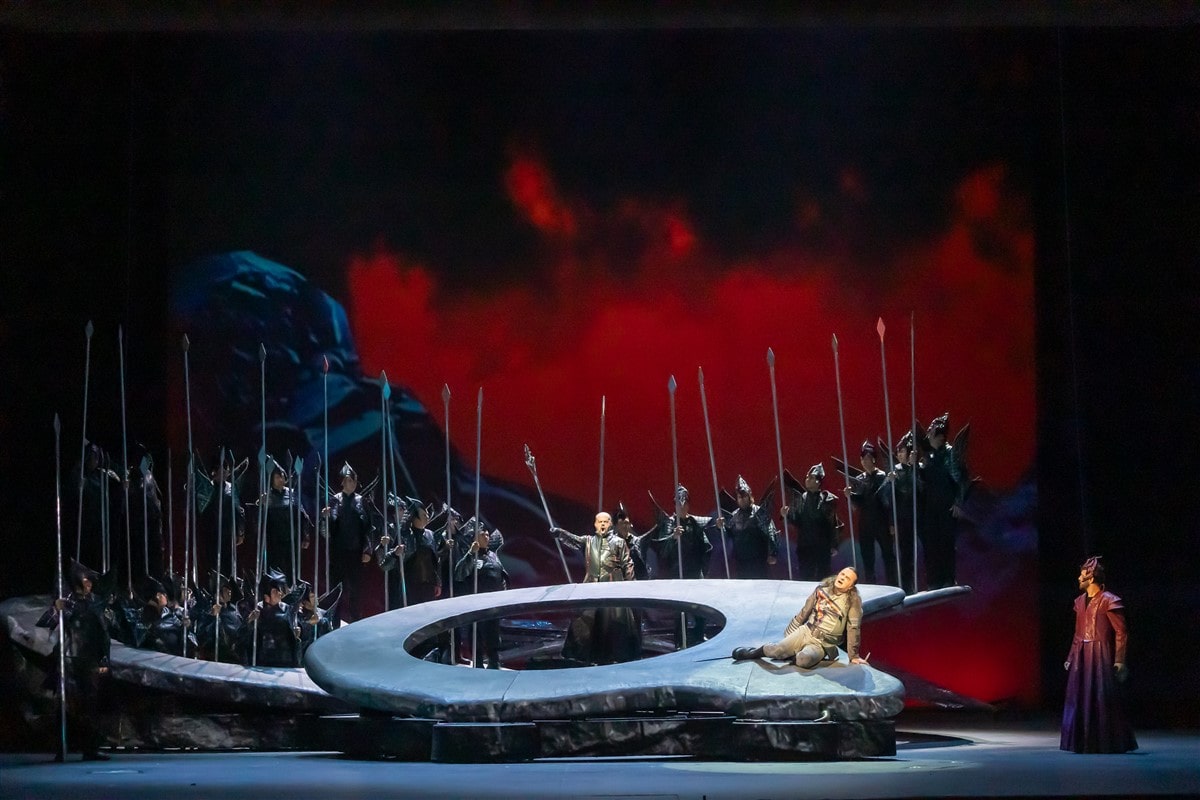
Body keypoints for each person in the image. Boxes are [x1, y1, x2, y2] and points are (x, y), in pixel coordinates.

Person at [1060, 556, 1137, 753]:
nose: (1079, 578)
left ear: (1091, 578)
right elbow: (1078, 633)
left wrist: (1119, 660)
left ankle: (1108, 741)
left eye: (1082, 575)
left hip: (1101, 654)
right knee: (1080, 697)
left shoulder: (1109, 600)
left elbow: (1121, 632)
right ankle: (1081, 742)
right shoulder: (1079, 602)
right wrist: (1070, 657)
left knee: (1102, 697)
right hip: (1082, 655)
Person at [731, 567, 868, 668]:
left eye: (847, 578)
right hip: (805, 631)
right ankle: (753, 652)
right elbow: (804, 612)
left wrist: (853, 656)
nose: (842, 578)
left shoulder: (853, 601)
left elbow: (853, 628)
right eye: (842, 574)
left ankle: (795, 654)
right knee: (776, 651)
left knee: (804, 660)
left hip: (822, 643)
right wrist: (790, 634)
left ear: (851, 586)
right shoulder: (821, 589)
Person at [552, 512, 641, 664]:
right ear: (595, 524)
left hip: (613, 587)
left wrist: (630, 585)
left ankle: (615, 656)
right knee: (586, 622)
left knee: (613, 624)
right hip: (591, 587)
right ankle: (584, 656)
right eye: (600, 522)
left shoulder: (619, 542)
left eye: (606, 521)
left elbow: (627, 563)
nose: (602, 524)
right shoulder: (588, 541)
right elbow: (573, 540)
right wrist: (560, 533)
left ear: (610, 524)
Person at [51, 561, 112, 761]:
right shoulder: (67, 602)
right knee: (65, 703)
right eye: (86, 580)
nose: (89, 584)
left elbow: (103, 634)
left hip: (89, 659)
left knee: (90, 704)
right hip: (68, 657)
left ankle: (90, 748)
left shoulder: (95, 603)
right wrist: (56, 609)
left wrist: (104, 659)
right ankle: (61, 747)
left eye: (90, 581)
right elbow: (50, 623)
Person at [649, 485, 714, 645]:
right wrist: (673, 538)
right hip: (678, 571)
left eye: (684, 504)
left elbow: (705, 544)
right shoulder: (670, 524)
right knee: (680, 608)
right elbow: (663, 550)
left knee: (700, 606)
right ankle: (680, 640)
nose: (682, 507)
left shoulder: (694, 523)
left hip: (694, 570)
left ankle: (699, 634)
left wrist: (704, 566)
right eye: (679, 504)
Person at [322, 462, 374, 625]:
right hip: (338, 552)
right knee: (336, 589)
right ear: (342, 482)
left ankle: (355, 622)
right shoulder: (334, 500)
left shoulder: (361, 501)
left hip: (356, 552)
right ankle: (334, 621)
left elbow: (369, 528)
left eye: (353, 480)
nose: (351, 483)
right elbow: (326, 532)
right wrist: (325, 518)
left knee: (355, 589)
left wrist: (367, 550)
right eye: (348, 480)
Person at [454, 521, 508, 668]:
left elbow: (501, 574)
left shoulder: (493, 555)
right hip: (476, 603)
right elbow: (459, 574)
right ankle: (477, 662)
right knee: (476, 633)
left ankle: (493, 661)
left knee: (493, 633)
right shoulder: (470, 555)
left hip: (494, 603)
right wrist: (471, 553)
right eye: (483, 534)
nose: (486, 537)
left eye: (487, 534)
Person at [845, 442, 897, 587]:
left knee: (888, 554)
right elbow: (856, 505)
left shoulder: (883, 476)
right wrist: (849, 496)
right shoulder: (859, 479)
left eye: (868, 458)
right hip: (865, 522)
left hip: (881, 521)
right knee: (867, 557)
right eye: (863, 459)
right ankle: (871, 585)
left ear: (874, 459)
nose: (865, 461)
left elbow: (889, 501)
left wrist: (892, 523)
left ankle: (893, 584)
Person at [378, 497, 443, 608]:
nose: (427, 517)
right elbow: (385, 565)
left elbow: (435, 562)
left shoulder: (430, 535)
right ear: (413, 517)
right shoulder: (403, 535)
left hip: (428, 587)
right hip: (410, 587)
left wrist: (437, 582)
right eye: (423, 515)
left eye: (427, 514)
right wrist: (395, 553)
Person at [781, 463, 841, 581]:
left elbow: (832, 524)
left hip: (822, 546)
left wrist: (834, 544)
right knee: (806, 577)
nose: (807, 479)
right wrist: (786, 515)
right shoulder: (801, 499)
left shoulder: (827, 499)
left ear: (818, 482)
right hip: (805, 546)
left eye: (811, 477)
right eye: (807, 477)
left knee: (823, 578)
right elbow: (797, 521)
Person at [881, 431, 923, 593]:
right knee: (905, 554)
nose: (899, 454)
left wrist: (913, 468)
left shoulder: (917, 468)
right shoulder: (894, 472)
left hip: (918, 516)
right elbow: (886, 498)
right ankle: (907, 586)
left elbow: (920, 488)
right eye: (898, 451)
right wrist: (889, 483)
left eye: (903, 451)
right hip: (902, 518)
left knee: (919, 551)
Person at [260, 458, 312, 586]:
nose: (281, 479)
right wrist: (260, 506)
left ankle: (293, 588)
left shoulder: (293, 494)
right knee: (276, 570)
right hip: (274, 541)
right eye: (277, 477)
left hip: (292, 539)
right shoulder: (266, 497)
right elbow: (260, 521)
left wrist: (305, 535)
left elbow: (302, 515)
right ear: (272, 479)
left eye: (282, 476)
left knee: (292, 569)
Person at [720, 475, 778, 579]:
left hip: (759, 561)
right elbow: (729, 534)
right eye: (739, 497)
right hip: (741, 562)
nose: (742, 499)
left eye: (744, 496)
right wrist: (720, 527)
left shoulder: (759, 513)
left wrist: (772, 553)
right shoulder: (734, 516)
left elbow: (771, 531)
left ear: (749, 496)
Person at [241, 569, 300, 667]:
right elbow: (243, 636)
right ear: (266, 597)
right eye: (275, 591)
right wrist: (249, 621)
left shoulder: (287, 609)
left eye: (279, 590)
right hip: (262, 661)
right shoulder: (256, 610)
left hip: (285, 660)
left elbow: (292, 636)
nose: (280, 593)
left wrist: (296, 635)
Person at [614, 503, 650, 580]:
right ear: (617, 526)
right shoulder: (612, 542)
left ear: (630, 525)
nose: (624, 526)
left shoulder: (637, 542)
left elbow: (642, 565)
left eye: (626, 523)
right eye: (621, 524)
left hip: (636, 579)